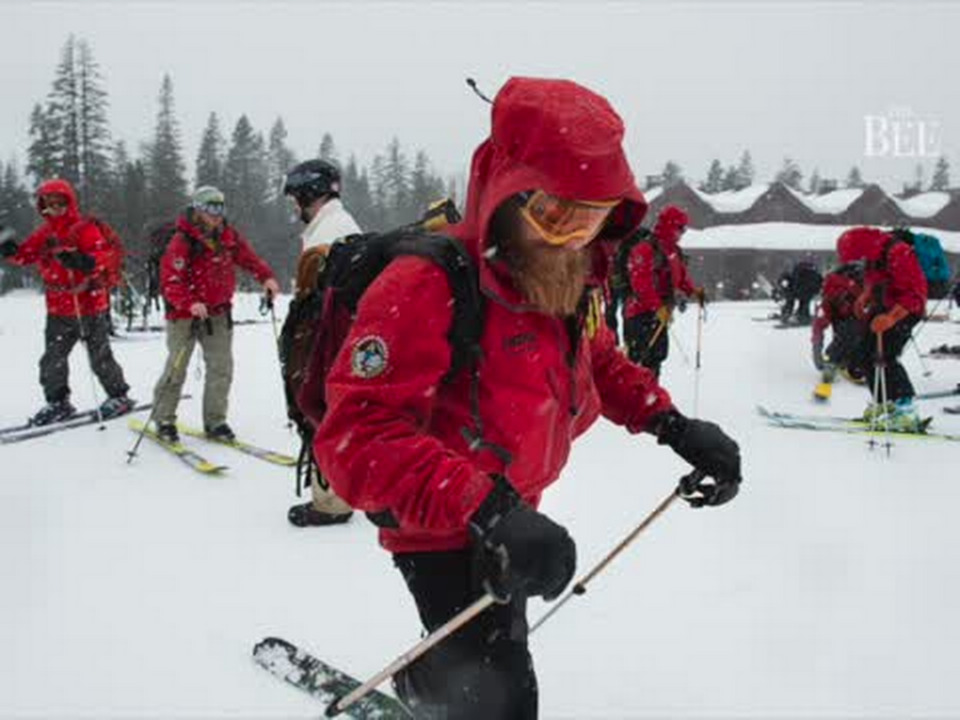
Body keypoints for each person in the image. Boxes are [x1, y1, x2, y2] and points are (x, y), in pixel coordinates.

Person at [311, 76, 742, 719]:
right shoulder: (426, 284)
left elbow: (594, 359)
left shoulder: (556, 274)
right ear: (507, 195)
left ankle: (433, 678)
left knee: (494, 647)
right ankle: (443, 684)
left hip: (512, 510)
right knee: (504, 700)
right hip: (440, 526)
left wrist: (673, 425)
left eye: (589, 216)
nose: (569, 236)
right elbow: (359, 435)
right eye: (552, 213)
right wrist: (486, 508)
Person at [0, 178, 133, 425]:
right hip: (58, 308)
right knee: (52, 358)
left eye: (60, 203)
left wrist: (84, 261)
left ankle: (119, 396)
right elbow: (25, 255)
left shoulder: (84, 228)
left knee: (99, 356)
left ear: (69, 203)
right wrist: (8, 248)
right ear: (43, 206)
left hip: (89, 304)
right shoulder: (45, 233)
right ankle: (58, 402)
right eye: (49, 204)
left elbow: (103, 256)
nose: (55, 208)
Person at [152, 186, 279, 443]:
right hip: (184, 316)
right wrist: (189, 303)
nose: (217, 213)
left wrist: (266, 277)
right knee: (176, 369)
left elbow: (248, 258)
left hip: (219, 313)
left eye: (221, 207)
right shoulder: (181, 240)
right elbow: (170, 281)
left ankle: (215, 421)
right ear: (198, 210)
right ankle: (164, 419)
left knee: (221, 369)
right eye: (211, 207)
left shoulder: (227, 236)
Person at [282, 159, 360, 527]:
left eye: (296, 198)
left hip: (327, 335)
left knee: (321, 409)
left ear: (309, 194)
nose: (294, 206)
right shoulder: (333, 223)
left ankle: (331, 502)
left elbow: (324, 295)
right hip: (333, 333)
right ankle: (342, 487)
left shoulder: (332, 230)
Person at [836, 226, 928, 429]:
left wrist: (891, 318)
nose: (860, 260)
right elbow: (873, 278)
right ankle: (884, 403)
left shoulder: (899, 253)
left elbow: (914, 294)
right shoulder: (873, 253)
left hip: (906, 309)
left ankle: (906, 409)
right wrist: (865, 296)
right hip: (885, 306)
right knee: (863, 354)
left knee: (886, 354)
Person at [620, 205, 705, 376]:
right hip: (638, 314)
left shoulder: (674, 251)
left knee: (656, 358)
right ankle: (635, 399)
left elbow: (680, 278)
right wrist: (657, 307)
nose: (682, 233)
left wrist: (693, 291)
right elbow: (641, 284)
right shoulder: (645, 249)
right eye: (680, 228)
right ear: (669, 226)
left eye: (684, 229)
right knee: (637, 361)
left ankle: (651, 396)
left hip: (660, 314)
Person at [811, 262, 867, 384]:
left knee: (860, 328)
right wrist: (817, 349)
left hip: (863, 314)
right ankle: (837, 359)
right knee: (851, 327)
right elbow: (819, 324)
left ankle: (851, 360)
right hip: (847, 320)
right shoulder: (830, 297)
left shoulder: (864, 287)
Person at [777, 259, 822, 325]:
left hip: (799, 290)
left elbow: (785, 279)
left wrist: (785, 287)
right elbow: (819, 282)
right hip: (803, 291)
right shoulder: (812, 273)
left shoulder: (799, 272)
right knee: (803, 303)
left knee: (793, 302)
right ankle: (801, 315)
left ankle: (790, 314)